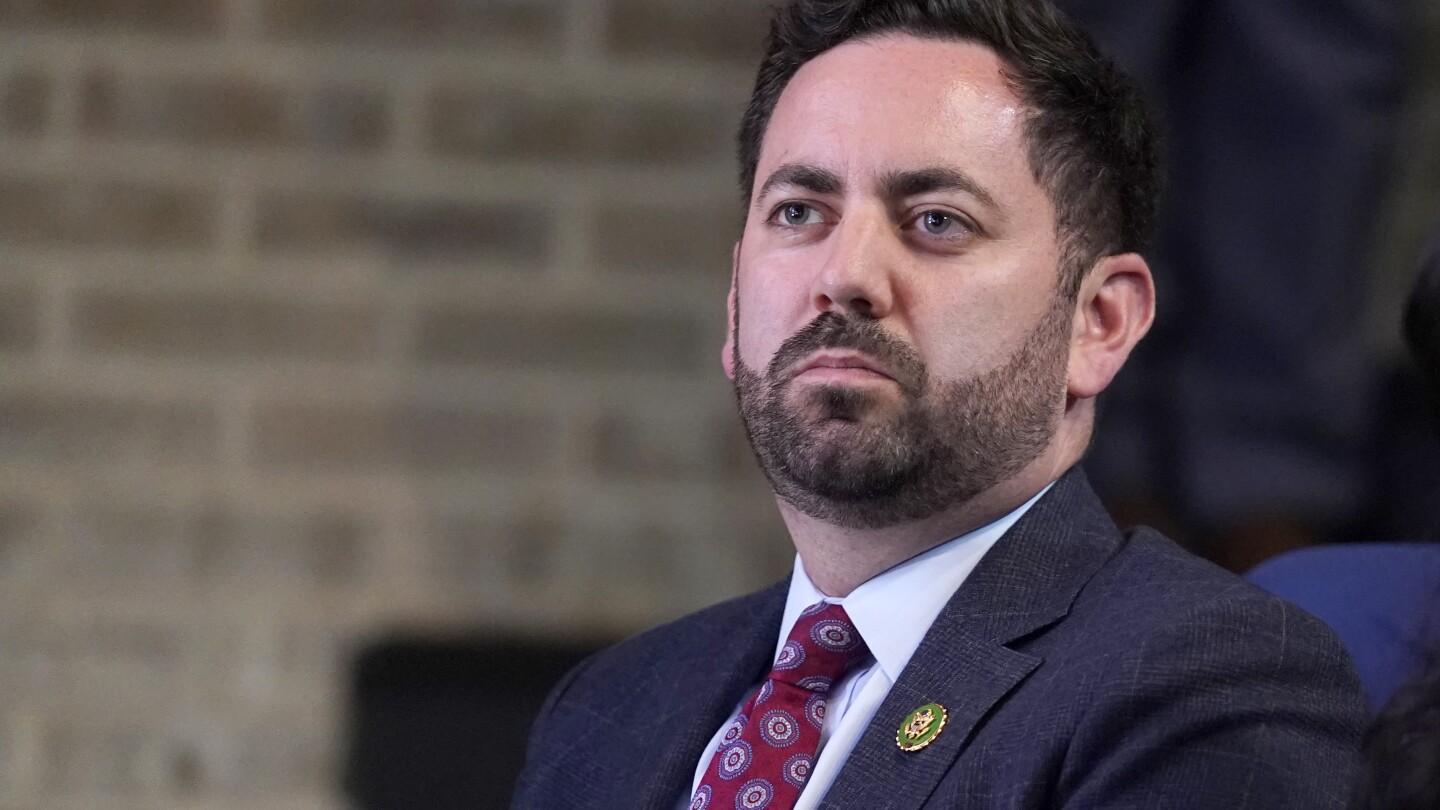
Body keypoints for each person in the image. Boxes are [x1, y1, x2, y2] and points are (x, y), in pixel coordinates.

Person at [511, 1, 1367, 808]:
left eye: (936, 221)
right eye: (800, 211)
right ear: (734, 306)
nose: (845, 275)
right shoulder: (608, 706)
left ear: (1098, 323)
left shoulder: (1210, 684)